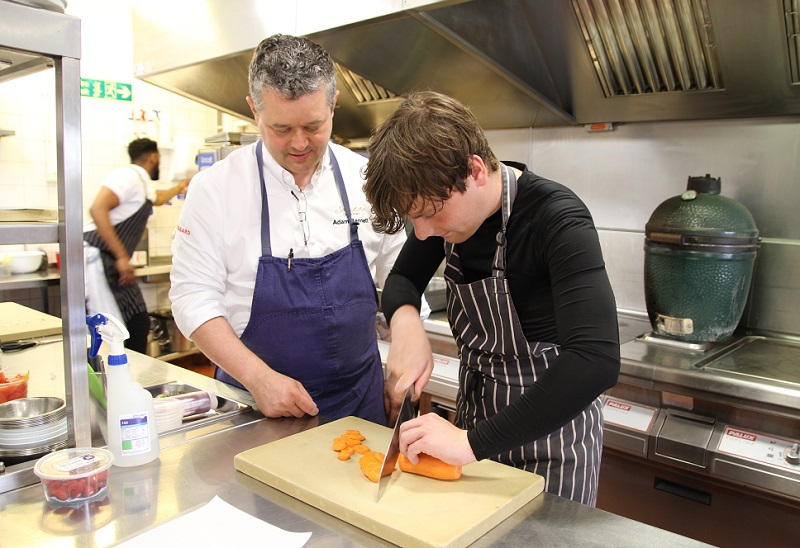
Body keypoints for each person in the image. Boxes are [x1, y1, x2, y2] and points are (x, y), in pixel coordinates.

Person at [363, 91, 620, 505]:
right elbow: (403, 279)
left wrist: (470, 444)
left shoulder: (557, 217)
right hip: (468, 434)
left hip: (553, 448)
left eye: (430, 214)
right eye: (415, 219)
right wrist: (407, 325)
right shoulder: (445, 210)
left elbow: (596, 360)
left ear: (475, 171)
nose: (424, 233)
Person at [169, 34, 420, 425]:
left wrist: (406, 336)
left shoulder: (367, 179)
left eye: (314, 125)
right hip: (254, 405)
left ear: (333, 105)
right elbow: (192, 299)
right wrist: (257, 378)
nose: (299, 143)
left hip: (359, 401)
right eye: (281, 128)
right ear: (254, 110)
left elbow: (400, 271)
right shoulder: (215, 190)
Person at [83, 138, 189, 354]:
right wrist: (122, 257)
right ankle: (116, 378)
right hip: (99, 258)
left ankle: (131, 377)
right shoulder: (127, 177)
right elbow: (97, 209)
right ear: (153, 157)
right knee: (111, 328)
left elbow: (156, 199)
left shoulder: (141, 184)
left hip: (110, 258)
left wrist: (179, 187)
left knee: (137, 322)